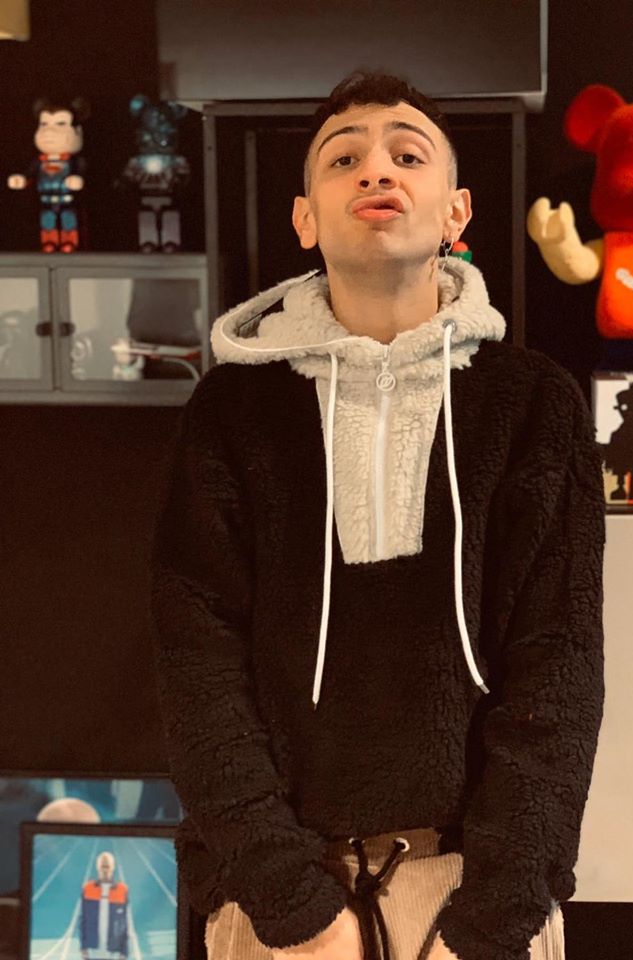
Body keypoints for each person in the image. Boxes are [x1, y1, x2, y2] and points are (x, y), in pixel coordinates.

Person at [149, 70, 606, 960]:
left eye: (408, 154)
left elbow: (559, 668)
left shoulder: (535, 405)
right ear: (305, 220)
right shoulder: (230, 411)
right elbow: (195, 663)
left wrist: (497, 914)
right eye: (342, 159)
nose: (376, 170)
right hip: (281, 902)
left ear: (456, 211)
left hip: (476, 897)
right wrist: (290, 903)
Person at [79, 851, 129, 960]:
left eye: (107, 866)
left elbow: (125, 923)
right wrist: (83, 947)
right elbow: (83, 920)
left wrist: (124, 951)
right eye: (103, 866)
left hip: (114, 950)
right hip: (93, 949)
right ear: (97, 867)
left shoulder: (122, 890)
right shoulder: (88, 888)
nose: (105, 870)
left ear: (113, 867)